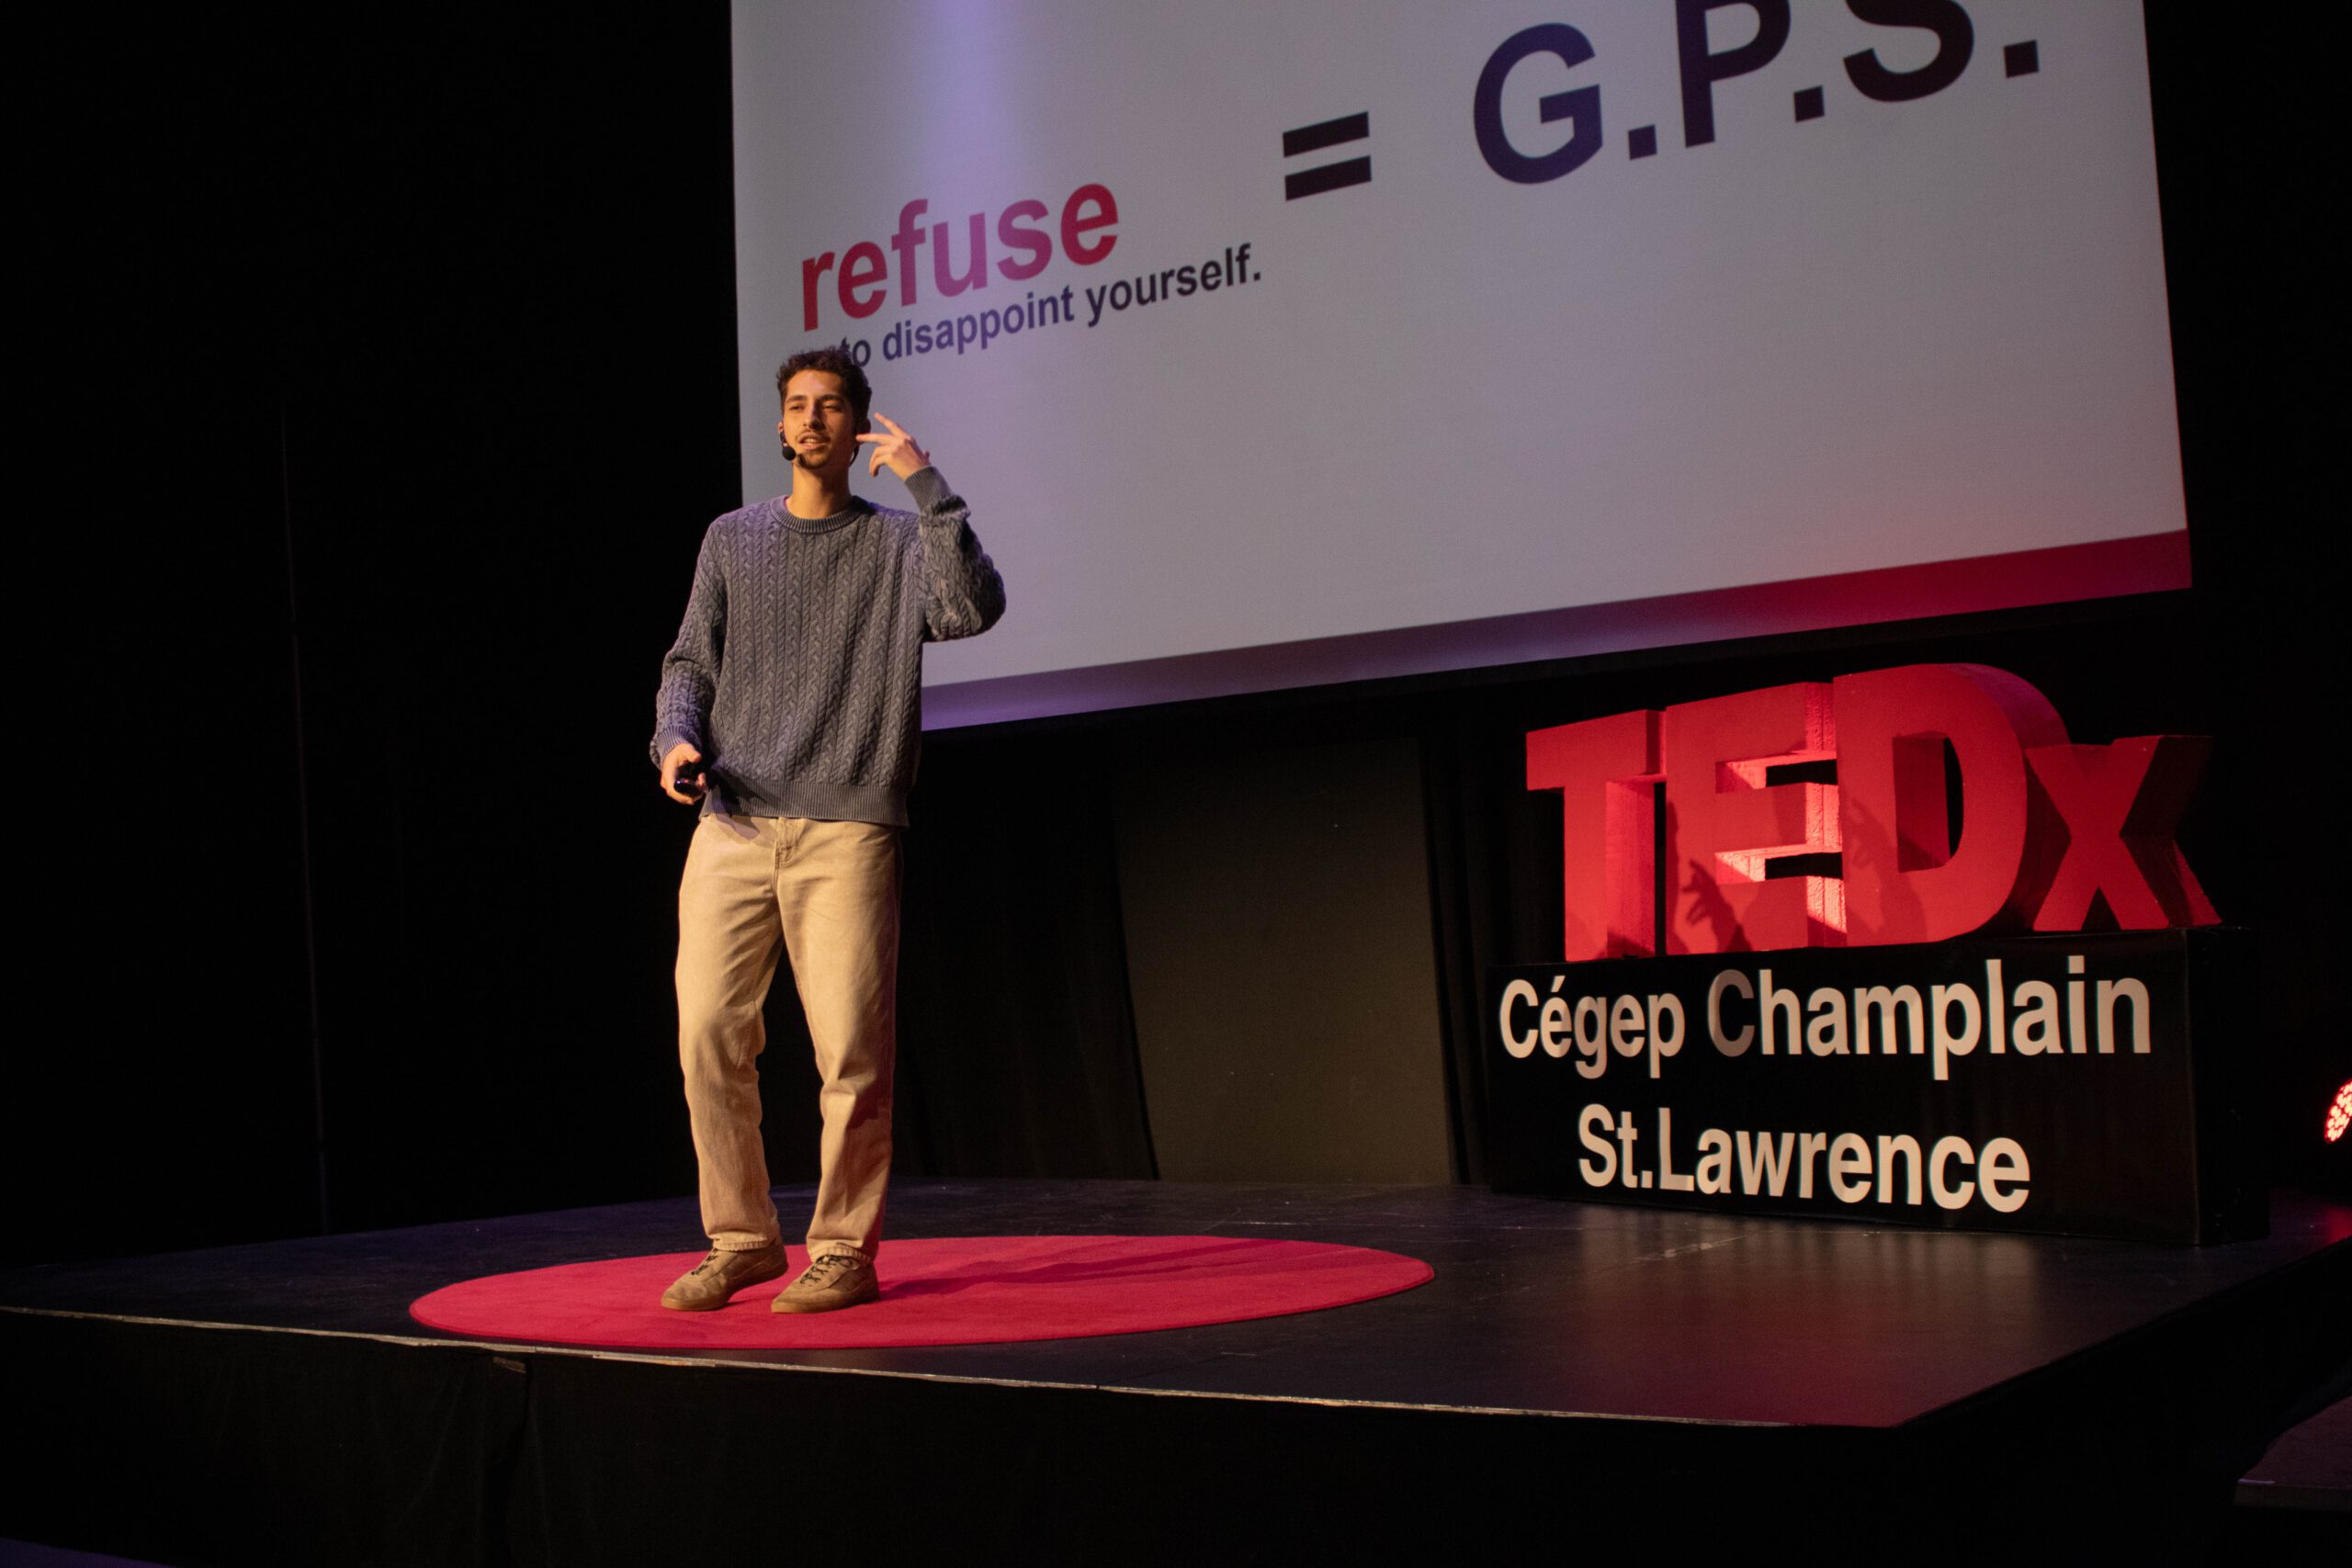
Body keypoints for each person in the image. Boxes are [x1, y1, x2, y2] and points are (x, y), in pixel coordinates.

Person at [648, 343, 1005, 1313]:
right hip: (731, 822)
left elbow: (971, 609)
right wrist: (674, 741)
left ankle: (843, 1248)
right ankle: (742, 1240)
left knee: (850, 1050)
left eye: (831, 406)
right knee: (706, 1036)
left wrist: (929, 487)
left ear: (856, 429)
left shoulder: (894, 543)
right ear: (779, 426)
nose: (811, 420)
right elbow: (688, 663)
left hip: (846, 829)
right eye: (797, 405)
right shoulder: (731, 538)